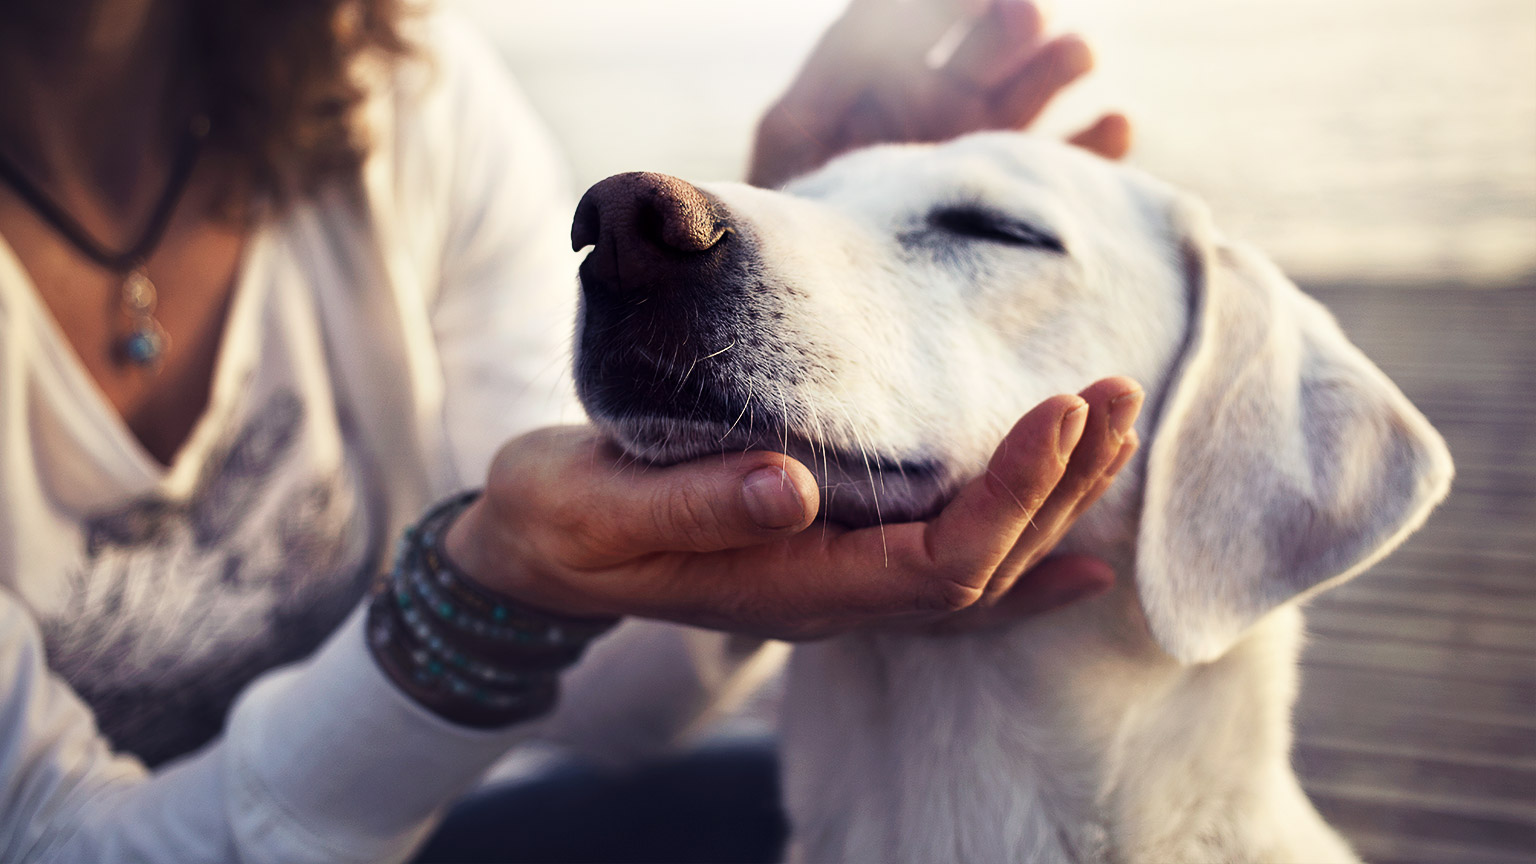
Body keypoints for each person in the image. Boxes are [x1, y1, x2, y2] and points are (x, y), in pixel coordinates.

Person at [0, 0, 1141, 861]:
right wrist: (490, 581)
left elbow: (612, 701)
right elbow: (57, 841)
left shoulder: (396, 94)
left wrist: (784, 293)